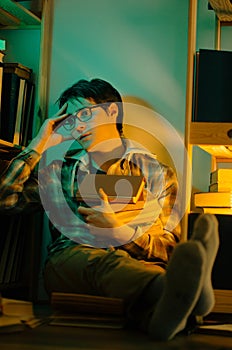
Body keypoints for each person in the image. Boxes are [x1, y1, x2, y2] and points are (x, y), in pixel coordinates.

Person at [0, 78, 219, 341]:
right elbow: (5, 201)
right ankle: (189, 297)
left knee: (141, 273)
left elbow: (168, 248)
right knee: (98, 262)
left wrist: (120, 233)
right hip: (72, 261)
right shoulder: (59, 173)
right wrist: (39, 143)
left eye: (83, 114)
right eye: (70, 120)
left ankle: (166, 313)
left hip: (138, 263)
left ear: (112, 110)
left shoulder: (156, 172)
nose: (78, 126)